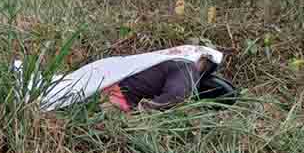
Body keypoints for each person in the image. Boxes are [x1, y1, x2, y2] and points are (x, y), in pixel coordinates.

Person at [36, 45, 225, 112]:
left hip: (107, 75)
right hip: (114, 97)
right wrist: (142, 111)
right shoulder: (188, 67)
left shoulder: (173, 58)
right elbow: (176, 96)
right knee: (60, 105)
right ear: (206, 64)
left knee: (60, 88)